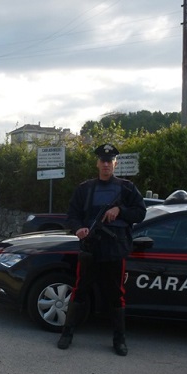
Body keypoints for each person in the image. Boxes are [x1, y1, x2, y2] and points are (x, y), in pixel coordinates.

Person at [57, 143, 146, 356]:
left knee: (116, 295)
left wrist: (120, 210)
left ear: (115, 163)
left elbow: (140, 213)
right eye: (103, 161)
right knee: (80, 291)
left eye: (110, 161)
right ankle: (67, 333)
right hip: (91, 248)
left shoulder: (127, 188)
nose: (106, 164)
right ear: (97, 163)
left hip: (115, 250)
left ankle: (119, 339)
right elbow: (72, 215)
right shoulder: (85, 189)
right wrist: (78, 229)